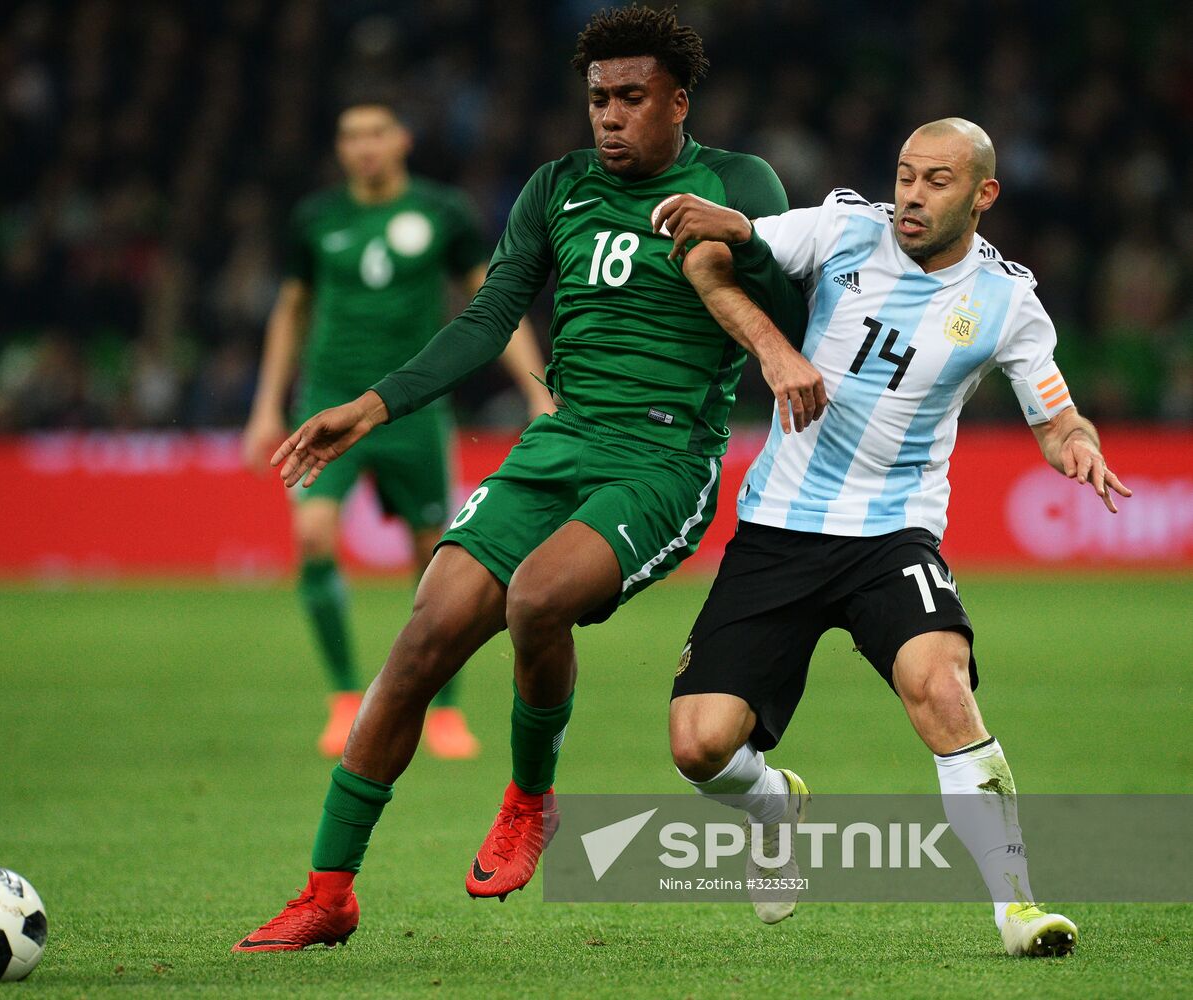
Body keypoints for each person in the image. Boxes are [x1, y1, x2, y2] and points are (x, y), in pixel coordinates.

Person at [232, 5, 822, 952]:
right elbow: (485, 318)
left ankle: (529, 799)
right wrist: (374, 404)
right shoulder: (556, 188)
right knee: (422, 639)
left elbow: (800, 307)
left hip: (663, 459)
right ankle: (328, 891)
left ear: (677, 100)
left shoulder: (738, 181)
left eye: (631, 98)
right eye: (597, 99)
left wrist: (745, 236)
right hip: (558, 444)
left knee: (536, 599)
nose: (609, 117)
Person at [655, 117, 1131, 957]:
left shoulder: (1005, 302)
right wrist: (742, 278)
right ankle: (772, 803)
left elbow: (1054, 416)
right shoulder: (842, 228)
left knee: (942, 691)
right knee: (697, 748)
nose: (911, 194)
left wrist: (1076, 445)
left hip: (892, 533)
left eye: (936, 181)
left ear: (982, 195)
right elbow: (734, 242)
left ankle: (1018, 909)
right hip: (779, 527)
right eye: (905, 174)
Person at [241, 101, 553, 760]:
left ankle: (443, 709)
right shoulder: (316, 219)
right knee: (312, 535)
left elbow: (491, 302)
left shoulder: (443, 214)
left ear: (402, 139)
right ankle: (344, 699)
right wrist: (266, 407)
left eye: (376, 133)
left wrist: (535, 389)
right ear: (339, 146)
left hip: (411, 407)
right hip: (328, 401)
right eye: (351, 135)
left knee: (434, 559)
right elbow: (290, 310)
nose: (364, 147)